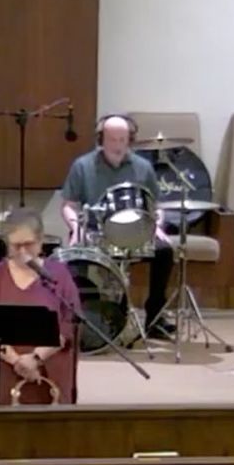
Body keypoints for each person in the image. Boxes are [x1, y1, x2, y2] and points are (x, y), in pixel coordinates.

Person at [59, 114, 176, 339]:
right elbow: (68, 205)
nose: (118, 145)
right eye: (112, 139)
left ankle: (155, 318)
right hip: (95, 231)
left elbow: (156, 206)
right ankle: (85, 320)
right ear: (101, 139)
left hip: (136, 231)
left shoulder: (143, 167)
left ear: (130, 139)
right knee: (74, 258)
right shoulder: (82, 165)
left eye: (123, 139)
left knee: (165, 252)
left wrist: (157, 224)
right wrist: (76, 227)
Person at [0, 208, 83, 405]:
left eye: (29, 244)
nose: (22, 252)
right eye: (16, 246)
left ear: (40, 241)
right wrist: (17, 361)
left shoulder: (58, 275)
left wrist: (36, 358)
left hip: (48, 371)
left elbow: (69, 325)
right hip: (3, 371)